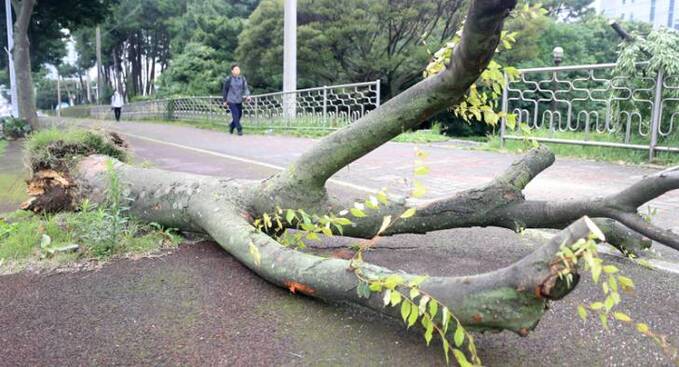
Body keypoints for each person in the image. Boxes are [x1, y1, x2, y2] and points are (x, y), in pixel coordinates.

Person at [222, 64, 251, 135]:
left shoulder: (242, 78)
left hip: (239, 99)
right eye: (235, 69)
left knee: (239, 115)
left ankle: (232, 126)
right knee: (235, 114)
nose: (237, 71)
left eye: (238, 69)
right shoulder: (228, 79)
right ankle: (239, 129)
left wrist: (248, 96)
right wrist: (225, 101)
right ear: (232, 71)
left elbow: (245, 88)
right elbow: (225, 90)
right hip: (231, 100)